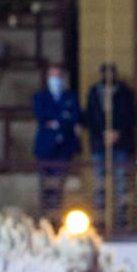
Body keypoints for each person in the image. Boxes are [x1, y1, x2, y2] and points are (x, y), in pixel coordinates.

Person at [85, 63, 135, 231]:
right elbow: (91, 117)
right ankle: (99, 221)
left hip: (120, 144)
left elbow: (129, 116)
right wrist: (102, 134)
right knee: (99, 184)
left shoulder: (124, 92)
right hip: (100, 145)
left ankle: (121, 221)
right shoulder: (94, 92)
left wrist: (117, 132)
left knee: (121, 184)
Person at [32, 63, 82, 218]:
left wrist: (57, 122)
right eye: (52, 76)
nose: (56, 79)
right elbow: (41, 116)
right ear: (47, 78)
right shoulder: (40, 97)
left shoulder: (71, 97)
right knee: (46, 185)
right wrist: (62, 119)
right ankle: (46, 218)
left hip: (64, 148)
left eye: (58, 76)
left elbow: (74, 117)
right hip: (45, 148)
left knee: (60, 184)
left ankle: (58, 217)